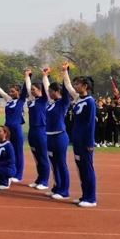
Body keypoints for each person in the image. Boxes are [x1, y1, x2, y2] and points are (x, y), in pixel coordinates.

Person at [63, 62, 97, 208]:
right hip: (76, 139)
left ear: (85, 86)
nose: (75, 86)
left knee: (87, 168)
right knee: (80, 168)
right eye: (75, 84)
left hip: (85, 141)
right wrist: (65, 71)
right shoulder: (78, 99)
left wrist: (90, 143)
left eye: (78, 84)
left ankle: (91, 198)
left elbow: (90, 124)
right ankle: (84, 195)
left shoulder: (90, 102)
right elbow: (67, 86)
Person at [0, 76, 27, 182]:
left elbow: (25, 89)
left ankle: (18, 175)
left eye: (13, 91)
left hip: (17, 129)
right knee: (8, 151)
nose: (11, 93)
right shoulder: (9, 100)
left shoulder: (21, 100)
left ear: (18, 92)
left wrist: (27, 77)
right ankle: (8, 171)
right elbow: (1, 92)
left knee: (18, 152)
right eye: (10, 91)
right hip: (7, 129)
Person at [44, 66, 71, 200]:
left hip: (60, 136)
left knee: (61, 163)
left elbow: (66, 88)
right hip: (49, 136)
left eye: (50, 91)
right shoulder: (51, 103)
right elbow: (45, 86)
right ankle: (56, 187)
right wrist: (45, 76)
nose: (48, 93)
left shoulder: (63, 102)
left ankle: (64, 191)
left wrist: (66, 72)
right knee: (54, 164)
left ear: (57, 91)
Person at [24, 69, 50, 190]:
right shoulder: (32, 101)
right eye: (31, 89)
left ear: (40, 90)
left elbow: (46, 88)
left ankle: (45, 181)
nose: (31, 91)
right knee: (37, 157)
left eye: (34, 89)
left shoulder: (44, 100)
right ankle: (39, 178)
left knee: (43, 157)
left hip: (41, 130)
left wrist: (45, 76)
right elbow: (28, 87)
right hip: (32, 130)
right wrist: (27, 76)